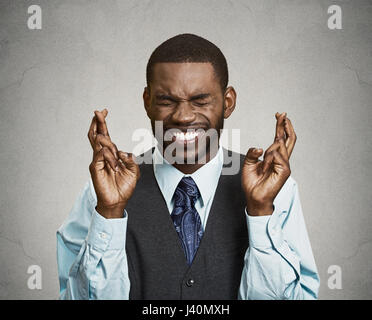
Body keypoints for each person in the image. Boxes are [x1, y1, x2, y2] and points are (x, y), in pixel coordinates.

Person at [57, 33, 319, 300]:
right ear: (147, 101)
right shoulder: (101, 193)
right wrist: (109, 214)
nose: (183, 116)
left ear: (227, 102)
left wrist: (261, 213)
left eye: (200, 100)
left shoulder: (276, 190)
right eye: (166, 101)